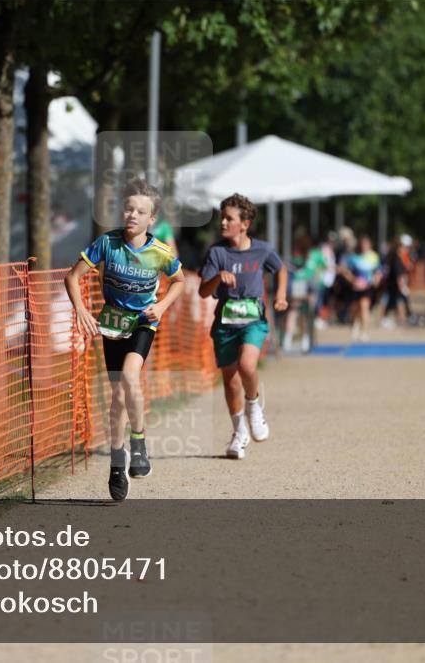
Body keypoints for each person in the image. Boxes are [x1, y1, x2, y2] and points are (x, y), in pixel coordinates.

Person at [65, 179, 185, 501]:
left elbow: (179, 281)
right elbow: (72, 277)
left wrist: (160, 306)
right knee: (117, 396)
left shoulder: (160, 252)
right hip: (112, 324)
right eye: (128, 208)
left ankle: (139, 441)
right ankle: (117, 463)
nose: (132, 215)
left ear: (152, 219)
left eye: (140, 211)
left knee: (131, 377)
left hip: (143, 324)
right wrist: (81, 311)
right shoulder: (107, 243)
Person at [199, 194, 288, 460]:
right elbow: (203, 291)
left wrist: (281, 295)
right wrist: (217, 278)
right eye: (222, 217)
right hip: (225, 323)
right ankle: (239, 433)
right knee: (230, 381)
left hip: (253, 320)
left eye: (229, 218)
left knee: (247, 366)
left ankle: (254, 406)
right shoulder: (217, 253)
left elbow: (280, 270)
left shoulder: (262, 250)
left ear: (245, 223)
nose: (223, 222)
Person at [339, 235, 382, 341]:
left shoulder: (374, 257)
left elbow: (378, 271)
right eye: (363, 245)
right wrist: (354, 280)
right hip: (355, 287)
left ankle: (365, 332)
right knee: (354, 308)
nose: (364, 247)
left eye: (366, 245)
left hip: (368, 287)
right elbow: (345, 271)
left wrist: (376, 280)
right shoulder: (353, 257)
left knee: (364, 307)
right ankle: (354, 324)